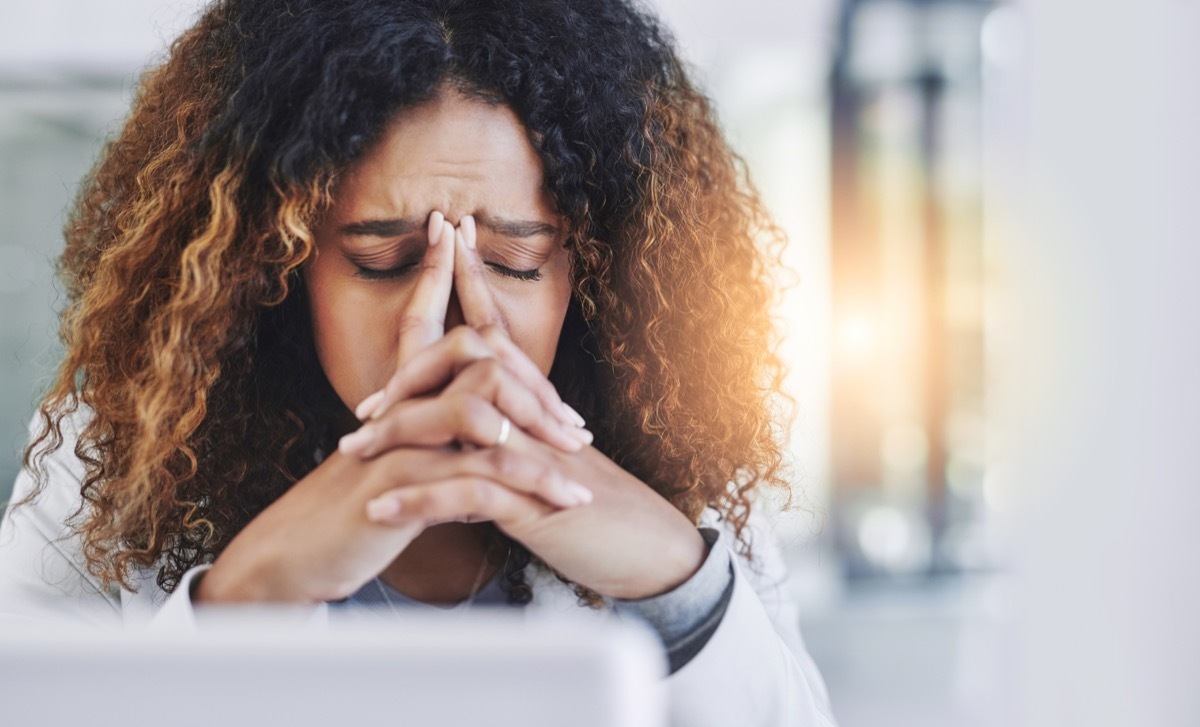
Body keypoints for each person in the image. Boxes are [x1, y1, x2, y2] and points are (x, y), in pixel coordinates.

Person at [0, 0, 836, 724]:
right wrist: (253, 594)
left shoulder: (685, 468)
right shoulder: (114, 463)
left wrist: (675, 583)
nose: (453, 323)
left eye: (512, 260)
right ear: (277, 269)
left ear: (589, 272)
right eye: (383, 260)